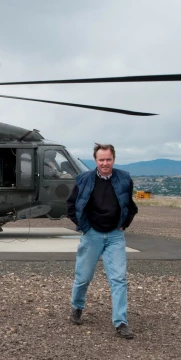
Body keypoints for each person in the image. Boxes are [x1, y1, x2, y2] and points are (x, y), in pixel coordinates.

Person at [66, 143, 139, 339]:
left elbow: (131, 206)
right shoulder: (84, 179)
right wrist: (84, 226)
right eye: (101, 160)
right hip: (92, 235)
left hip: (115, 235)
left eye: (108, 159)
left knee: (119, 279)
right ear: (95, 160)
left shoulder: (124, 179)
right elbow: (71, 206)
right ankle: (77, 307)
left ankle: (121, 322)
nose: (105, 163)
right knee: (83, 277)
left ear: (113, 159)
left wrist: (125, 224)